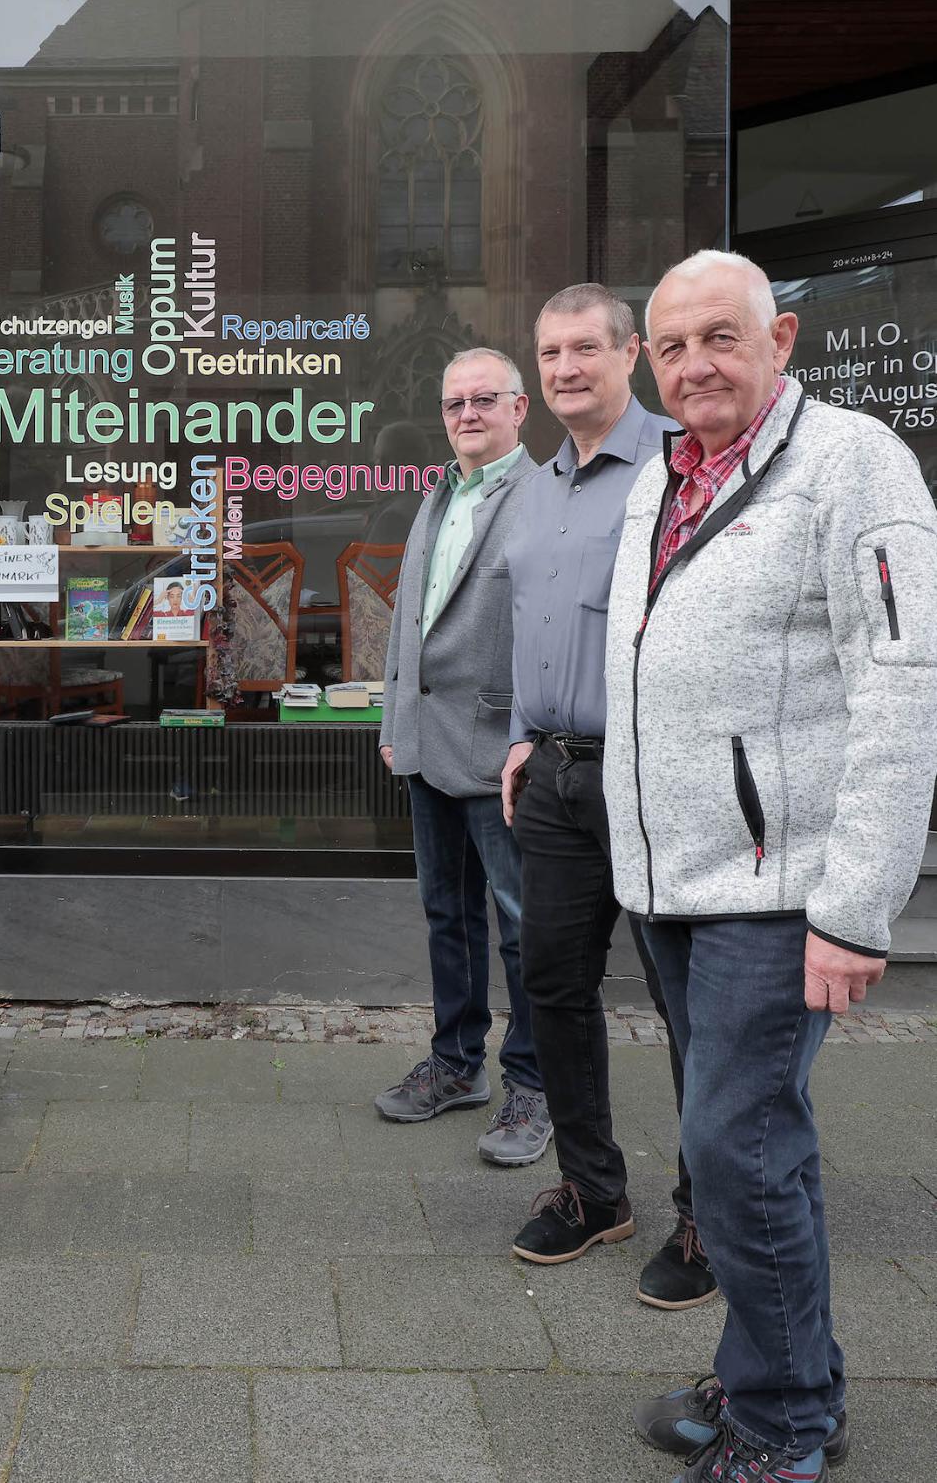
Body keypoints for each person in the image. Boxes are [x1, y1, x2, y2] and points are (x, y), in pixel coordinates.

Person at [611, 250, 937, 1483]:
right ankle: (771, 1374)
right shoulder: (665, 474)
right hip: (675, 881)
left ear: (781, 340)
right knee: (730, 1150)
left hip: (777, 886)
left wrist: (857, 910)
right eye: (675, 345)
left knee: (742, 1153)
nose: (696, 364)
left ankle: (789, 1425)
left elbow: (903, 690)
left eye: (721, 338)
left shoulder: (855, 466)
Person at [501, 283, 713, 1311]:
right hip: (553, 775)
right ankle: (593, 1191)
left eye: (587, 347)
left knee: (688, 1006)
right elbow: (529, 622)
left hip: (653, 775)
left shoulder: (681, 467)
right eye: (551, 351)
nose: (567, 367)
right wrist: (517, 735)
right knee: (551, 988)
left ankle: (710, 1212)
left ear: (628, 354)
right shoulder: (533, 484)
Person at [375, 348, 551, 1165]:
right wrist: (392, 715)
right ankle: (456, 1064)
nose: (468, 414)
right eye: (455, 403)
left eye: (485, 400)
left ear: (521, 409)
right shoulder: (439, 495)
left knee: (521, 927)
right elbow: (408, 616)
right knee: (448, 916)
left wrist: (530, 734)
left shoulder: (545, 498)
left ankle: (535, 1086)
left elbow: (552, 637)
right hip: (424, 746)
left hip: (498, 752)